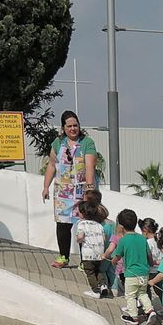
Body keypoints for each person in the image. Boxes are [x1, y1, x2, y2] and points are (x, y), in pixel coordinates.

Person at [42, 111, 97, 267]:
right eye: (69, 126)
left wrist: (89, 191)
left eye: (75, 125)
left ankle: (85, 260)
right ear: (63, 128)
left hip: (81, 192)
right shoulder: (58, 143)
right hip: (63, 193)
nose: (73, 128)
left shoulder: (87, 143)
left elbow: (89, 167)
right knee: (62, 225)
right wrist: (46, 186)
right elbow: (52, 165)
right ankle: (63, 257)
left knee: (84, 226)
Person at [110, 209, 153, 324]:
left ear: (121, 226)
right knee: (142, 293)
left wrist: (112, 262)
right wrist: (151, 265)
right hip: (144, 273)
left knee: (130, 296)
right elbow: (149, 255)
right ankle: (150, 310)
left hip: (130, 274)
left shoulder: (123, 240)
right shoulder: (142, 239)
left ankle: (133, 317)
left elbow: (117, 256)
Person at [71, 198, 109, 299]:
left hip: (88, 253)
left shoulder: (81, 223)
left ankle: (95, 291)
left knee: (90, 272)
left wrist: (78, 240)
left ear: (83, 213)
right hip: (99, 252)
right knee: (98, 270)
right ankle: (103, 285)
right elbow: (104, 238)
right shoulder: (98, 224)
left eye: (78, 212)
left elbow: (80, 236)